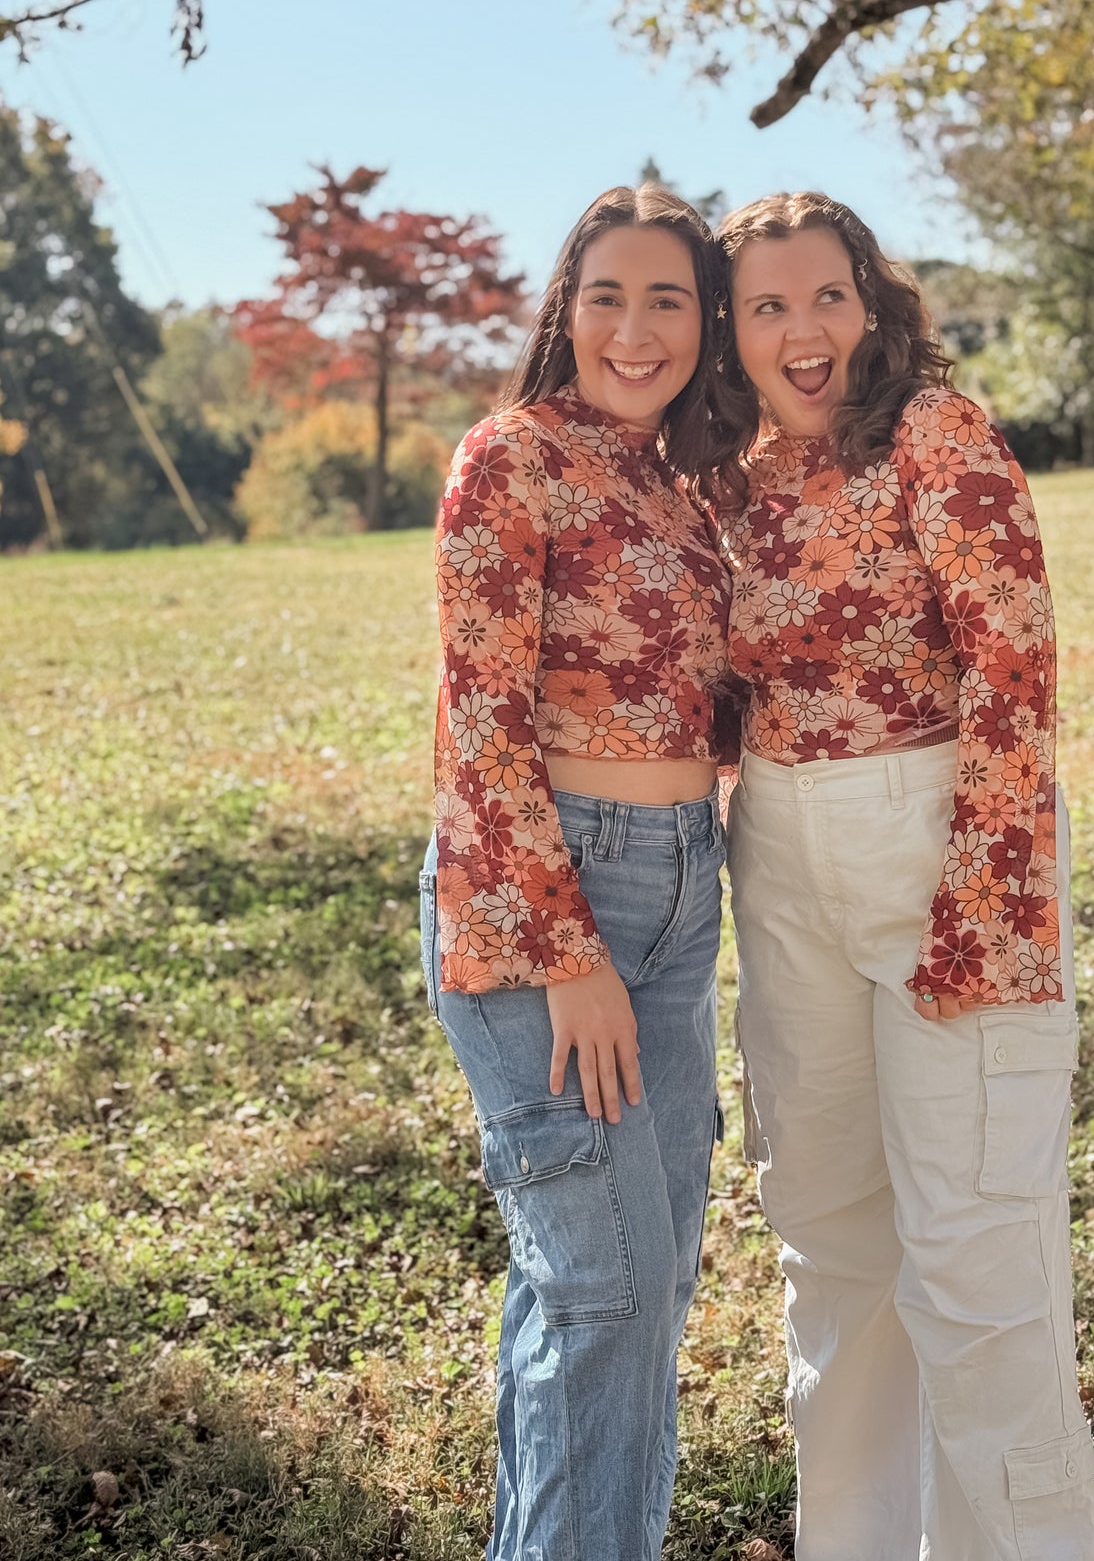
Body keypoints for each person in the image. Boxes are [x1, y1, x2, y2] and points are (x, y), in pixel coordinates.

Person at [705, 191, 1094, 1561]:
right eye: (766, 306)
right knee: (831, 1249)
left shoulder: (936, 431)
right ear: (732, 329)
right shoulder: (732, 471)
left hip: (942, 832)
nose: (801, 330)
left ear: (869, 304)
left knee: (976, 1256)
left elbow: (1014, 662)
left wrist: (983, 897)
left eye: (825, 296)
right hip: (782, 850)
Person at [419, 184, 733, 1561]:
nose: (634, 325)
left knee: (629, 1291)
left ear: (703, 323)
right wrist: (568, 955)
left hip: (678, 890)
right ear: (565, 309)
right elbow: (480, 727)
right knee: (600, 1292)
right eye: (606, 294)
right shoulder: (512, 457)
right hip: (548, 904)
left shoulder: (680, 484)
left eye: (667, 296)